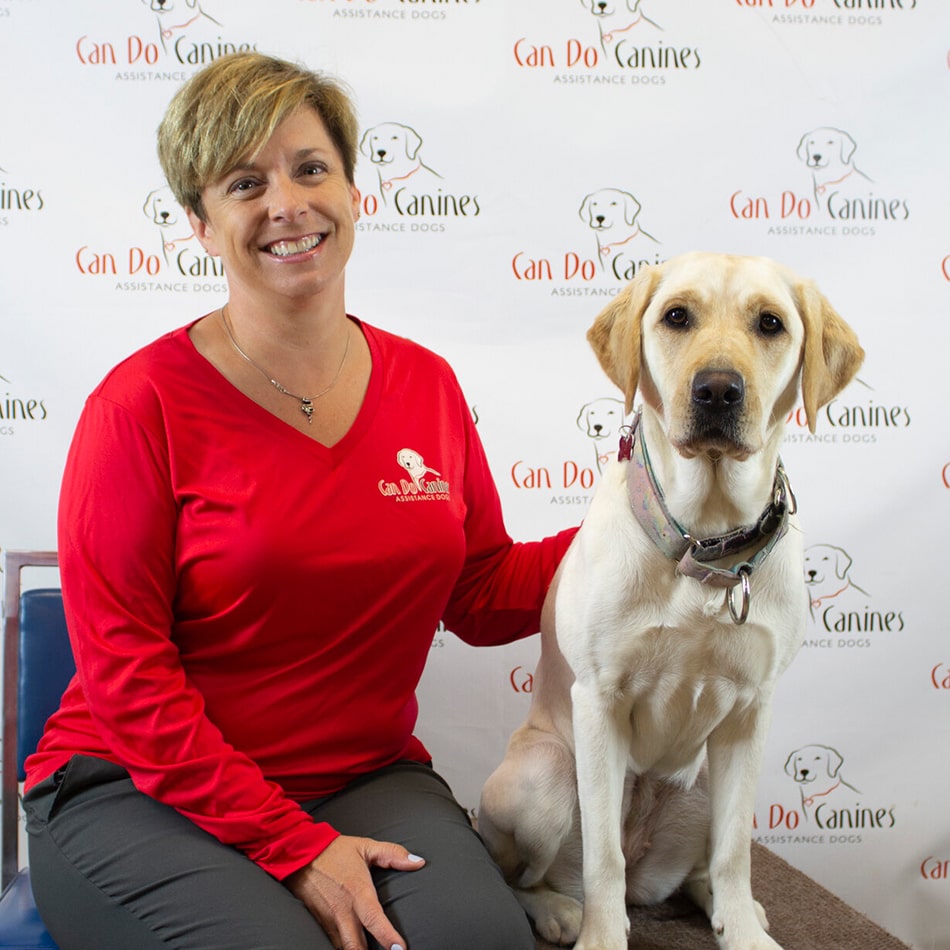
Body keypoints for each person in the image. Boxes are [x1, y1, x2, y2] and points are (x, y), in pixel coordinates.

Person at [23, 52, 576, 950]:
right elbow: (129, 685)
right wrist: (291, 845)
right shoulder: (137, 409)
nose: (288, 203)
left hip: (361, 775)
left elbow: (476, 592)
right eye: (247, 183)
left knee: (481, 941)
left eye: (311, 168)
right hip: (134, 786)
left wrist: (647, 531)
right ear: (201, 224)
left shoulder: (426, 383)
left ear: (355, 192)